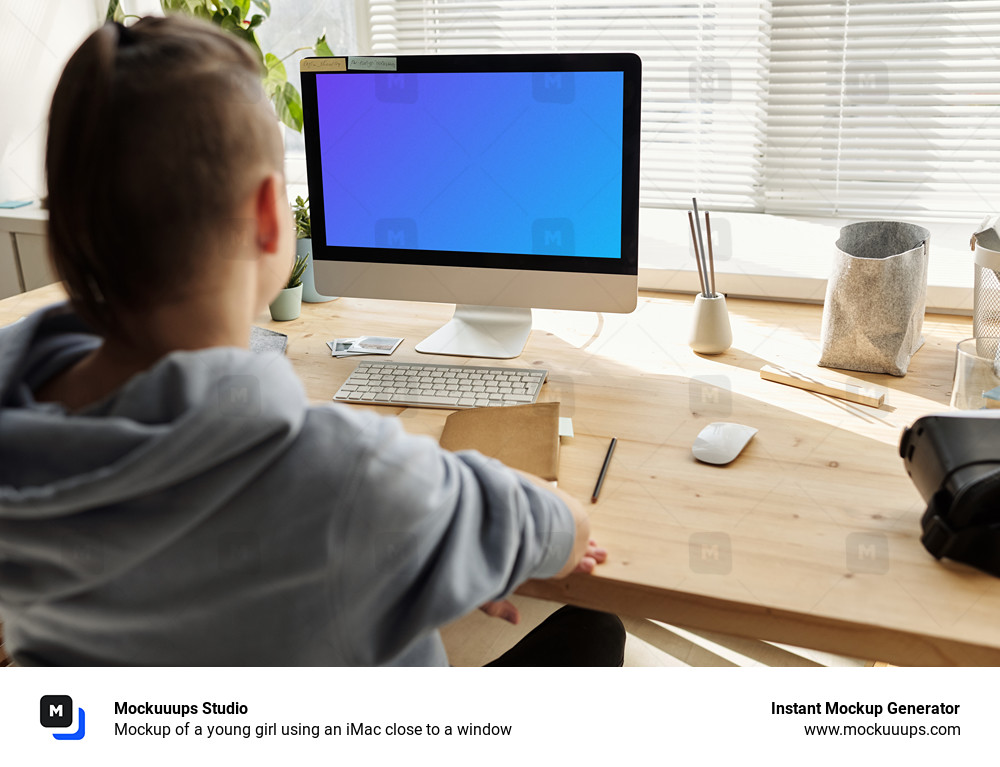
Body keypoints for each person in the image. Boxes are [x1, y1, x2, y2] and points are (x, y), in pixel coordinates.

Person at [0, 15, 625, 667]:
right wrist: (447, 529)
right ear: (271, 214)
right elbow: (563, 526)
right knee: (593, 626)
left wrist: (422, 550)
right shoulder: (355, 477)